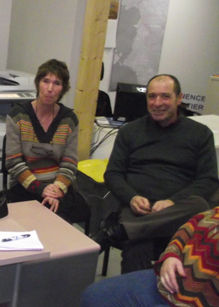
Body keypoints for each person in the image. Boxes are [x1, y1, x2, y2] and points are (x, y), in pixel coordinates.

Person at [91, 74, 219, 273]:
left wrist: (172, 202)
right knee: (136, 248)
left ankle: (117, 233)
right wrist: (131, 197)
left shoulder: (200, 134)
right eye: (152, 97)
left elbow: (208, 180)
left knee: (200, 205)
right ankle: (135, 301)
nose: (157, 103)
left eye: (165, 96)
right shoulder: (130, 131)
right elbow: (113, 173)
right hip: (138, 208)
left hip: (177, 211)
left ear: (179, 98)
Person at [81, 207, 219, 307]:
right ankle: (118, 232)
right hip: (170, 279)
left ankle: (118, 232)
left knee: (138, 246)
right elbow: (195, 222)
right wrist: (171, 254)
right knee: (93, 298)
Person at [4, 59, 89, 224]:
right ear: (38, 84)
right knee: (39, 218)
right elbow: (13, 163)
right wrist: (41, 189)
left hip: (59, 186)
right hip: (25, 185)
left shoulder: (69, 120)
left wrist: (55, 191)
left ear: (63, 89)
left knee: (59, 217)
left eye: (57, 83)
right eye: (46, 81)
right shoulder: (18, 115)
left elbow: (70, 163)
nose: (50, 89)